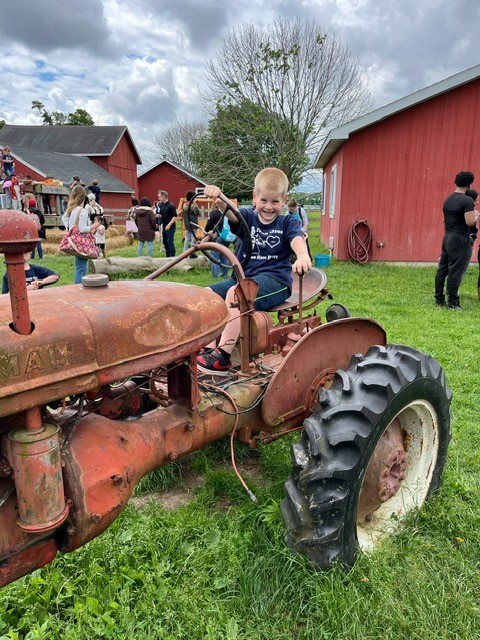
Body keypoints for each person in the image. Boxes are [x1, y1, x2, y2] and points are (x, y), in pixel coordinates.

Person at [197, 167, 312, 375]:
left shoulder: (288, 222)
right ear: (254, 196)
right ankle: (207, 347)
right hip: (245, 278)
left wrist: (303, 255)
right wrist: (220, 199)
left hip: (276, 282)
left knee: (238, 294)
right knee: (206, 294)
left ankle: (222, 357)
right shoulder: (247, 218)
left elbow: (297, 240)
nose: (269, 207)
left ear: (284, 200)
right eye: (264, 200)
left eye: (275, 201)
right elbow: (232, 214)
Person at [434, 171, 478, 310]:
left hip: (447, 237)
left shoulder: (448, 199)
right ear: (470, 184)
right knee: (456, 272)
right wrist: (477, 217)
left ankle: (439, 299)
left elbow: (444, 220)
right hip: (460, 239)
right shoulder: (467, 201)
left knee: (442, 269)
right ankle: (453, 303)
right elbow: (470, 222)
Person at [62, 184, 101, 284]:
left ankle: (80, 287)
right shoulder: (82, 211)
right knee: (81, 268)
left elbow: (65, 220)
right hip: (81, 242)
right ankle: (79, 288)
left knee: (81, 266)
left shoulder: (70, 210)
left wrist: (70, 229)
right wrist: (94, 226)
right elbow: (83, 229)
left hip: (75, 241)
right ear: (84, 197)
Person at [204, 198, 235, 278]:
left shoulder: (214, 213)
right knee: (224, 255)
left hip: (218, 236)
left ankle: (215, 275)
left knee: (215, 256)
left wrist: (206, 232)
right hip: (227, 237)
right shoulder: (228, 213)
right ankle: (224, 274)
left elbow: (209, 225)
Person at [157, 190, 178, 257]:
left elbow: (174, 216)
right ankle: (167, 255)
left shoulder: (171, 206)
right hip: (164, 226)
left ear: (164, 196)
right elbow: (163, 214)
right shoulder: (162, 205)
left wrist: (169, 224)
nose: (159, 199)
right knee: (165, 241)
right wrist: (159, 215)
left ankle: (172, 256)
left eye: (159, 197)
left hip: (170, 227)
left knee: (170, 242)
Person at [182, 190, 201, 255]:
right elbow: (199, 213)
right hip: (193, 224)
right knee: (193, 239)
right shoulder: (193, 206)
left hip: (187, 224)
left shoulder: (184, 205)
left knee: (187, 239)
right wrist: (195, 204)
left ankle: (184, 252)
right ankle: (191, 252)